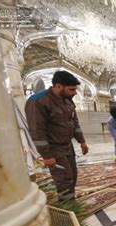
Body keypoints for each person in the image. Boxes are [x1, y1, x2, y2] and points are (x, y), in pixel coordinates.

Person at [25, 71, 89, 201]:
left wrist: (82, 141)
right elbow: (37, 131)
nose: (75, 93)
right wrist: (47, 155)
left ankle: (70, 202)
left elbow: (74, 123)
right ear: (58, 86)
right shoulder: (38, 101)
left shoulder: (68, 101)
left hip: (67, 146)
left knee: (72, 176)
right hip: (54, 148)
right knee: (64, 179)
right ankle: (68, 207)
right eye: (71, 89)